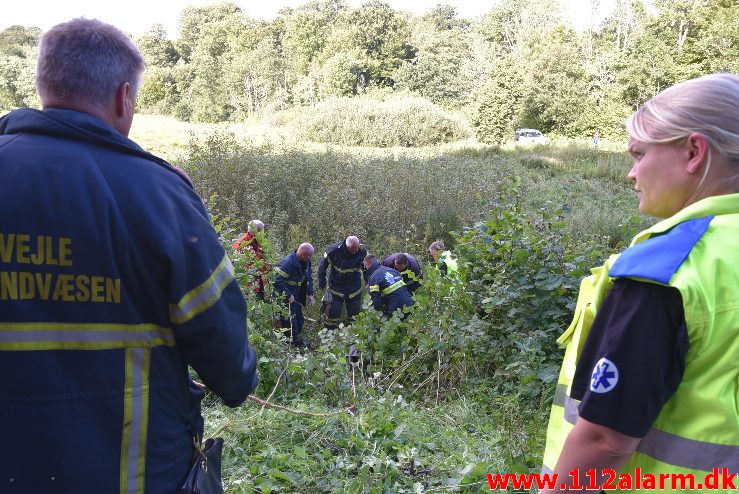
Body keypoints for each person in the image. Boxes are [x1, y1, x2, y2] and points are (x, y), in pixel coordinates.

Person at [0, 18, 258, 494]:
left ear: (44, 85)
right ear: (123, 97)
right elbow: (229, 363)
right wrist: (243, 374)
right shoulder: (159, 195)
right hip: (134, 475)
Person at [542, 73, 739, 493]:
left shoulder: (667, 271)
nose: (630, 175)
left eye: (638, 155)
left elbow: (605, 440)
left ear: (693, 151)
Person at [317, 235, 367, 330]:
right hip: (336, 287)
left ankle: (352, 335)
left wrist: (367, 280)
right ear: (348, 247)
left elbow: (367, 266)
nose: (356, 251)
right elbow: (322, 266)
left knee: (354, 314)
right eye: (354, 249)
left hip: (354, 287)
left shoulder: (362, 251)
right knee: (333, 313)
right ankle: (329, 334)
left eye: (357, 248)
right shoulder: (333, 251)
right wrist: (322, 283)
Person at [272, 243, 316, 347]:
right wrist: (288, 295)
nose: (310, 258)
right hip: (284, 296)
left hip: (296, 295)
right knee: (291, 321)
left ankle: (295, 340)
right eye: (308, 256)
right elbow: (276, 280)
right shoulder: (288, 263)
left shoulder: (306, 261)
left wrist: (310, 294)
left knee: (299, 319)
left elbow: (308, 279)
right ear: (301, 254)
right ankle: (290, 343)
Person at [232, 219, 270, 300]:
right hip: (248, 286)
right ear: (256, 232)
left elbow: (266, 260)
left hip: (261, 283)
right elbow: (236, 265)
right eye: (261, 231)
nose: (262, 233)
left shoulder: (262, 243)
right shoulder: (240, 244)